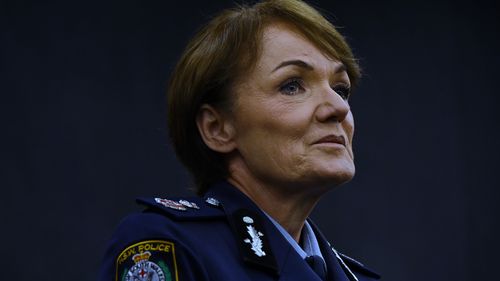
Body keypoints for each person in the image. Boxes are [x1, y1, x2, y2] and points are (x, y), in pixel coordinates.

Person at [98, 0, 381, 280]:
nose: (338, 107)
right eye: (292, 86)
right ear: (217, 128)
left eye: (341, 89)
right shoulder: (170, 246)